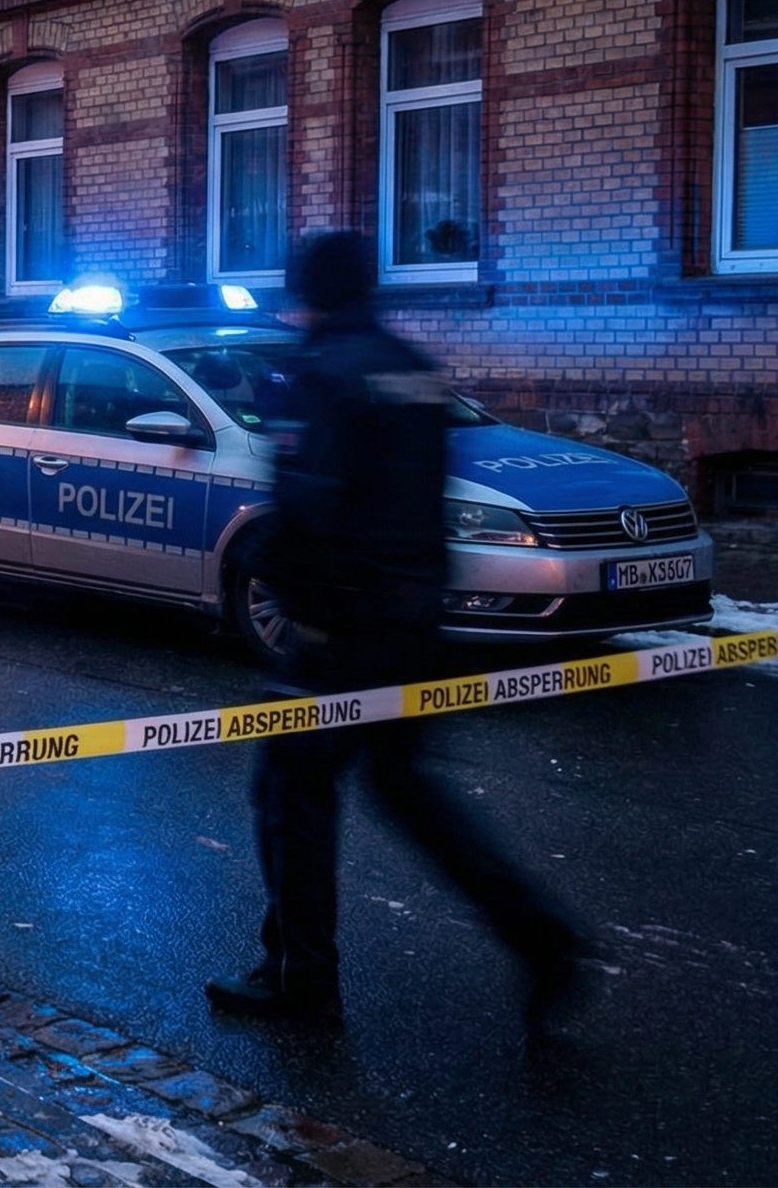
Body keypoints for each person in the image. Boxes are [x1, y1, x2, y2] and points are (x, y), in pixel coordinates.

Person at [208, 231, 585, 1026]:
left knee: (289, 792)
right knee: (410, 788)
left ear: (308, 292)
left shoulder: (321, 372)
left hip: (336, 630)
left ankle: (299, 980)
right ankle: (541, 936)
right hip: (415, 616)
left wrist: (278, 578)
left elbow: (312, 501)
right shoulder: (410, 366)